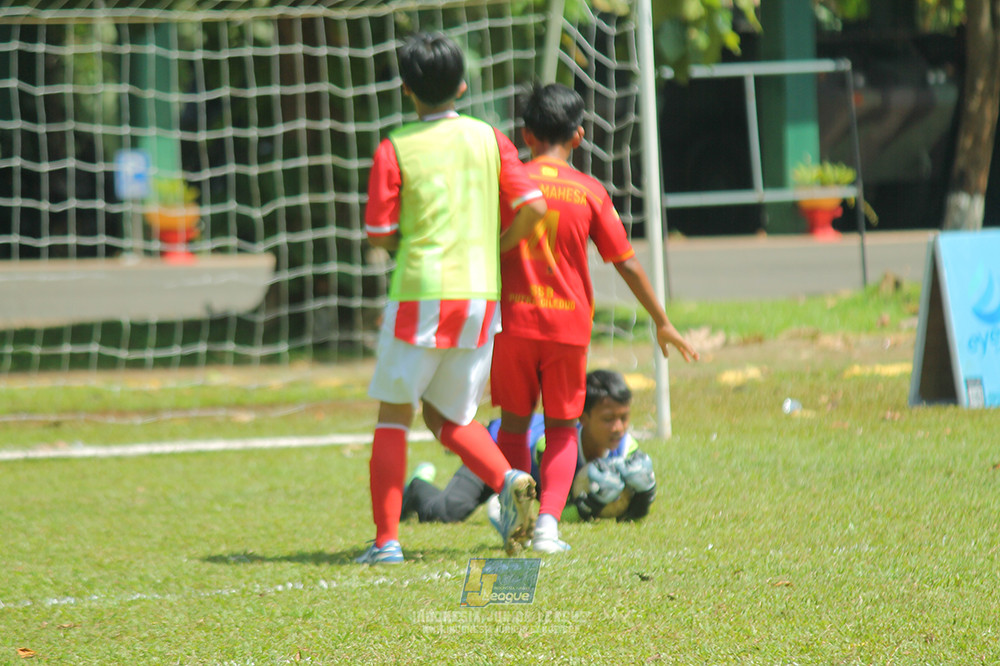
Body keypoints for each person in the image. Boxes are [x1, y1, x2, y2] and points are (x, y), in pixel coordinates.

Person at [355, 32, 548, 565]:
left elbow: (377, 232)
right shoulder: (491, 138)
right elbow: (532, 207)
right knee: (449, 418)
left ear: (405, 89)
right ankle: (508, 479)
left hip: (422, 291)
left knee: (394, 415)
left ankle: (386, 543)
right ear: (462, 85)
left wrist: (407, 241)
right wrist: (495, 246)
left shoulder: (396, 146)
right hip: (480, 297)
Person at [489, 83, 699, 554]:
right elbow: (625, 261)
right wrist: (660, 320)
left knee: (515, 426)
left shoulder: (509, 184)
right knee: (563, 429)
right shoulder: (589, 191)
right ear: (579, 136)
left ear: (525, 134)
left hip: (514, 325)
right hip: (567, 327)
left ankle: (517, 521)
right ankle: (547, 528)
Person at [400, 369, 658, 526]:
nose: (618, 428)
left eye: (624, 417)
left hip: (522, 480)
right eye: (608, 419)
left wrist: (636, 503)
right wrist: (582, 510)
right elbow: (542, 508)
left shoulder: (627, 450)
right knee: (445, 513)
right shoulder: (551, 448)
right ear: (583, 418)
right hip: (495, 452)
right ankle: (417, 484)